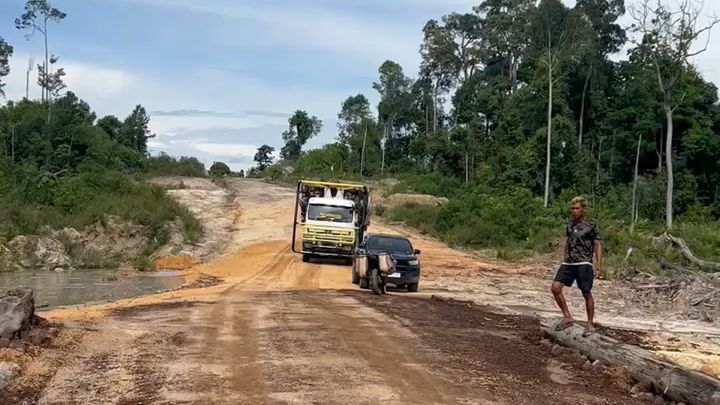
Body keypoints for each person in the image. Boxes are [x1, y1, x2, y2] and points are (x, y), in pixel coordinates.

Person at [551, 196, 603, 336]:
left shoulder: (591, 225)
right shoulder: (569, 224)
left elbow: (597, 244)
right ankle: (567, 316)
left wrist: (598, 265)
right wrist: (564, 256)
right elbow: (569, 241)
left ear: (583, 209)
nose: (574, 211)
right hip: (569, 262)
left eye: (577, 208)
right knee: (555, 288)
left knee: (586, 292)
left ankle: (590, 323)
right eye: (572, 208)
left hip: (583, 263)